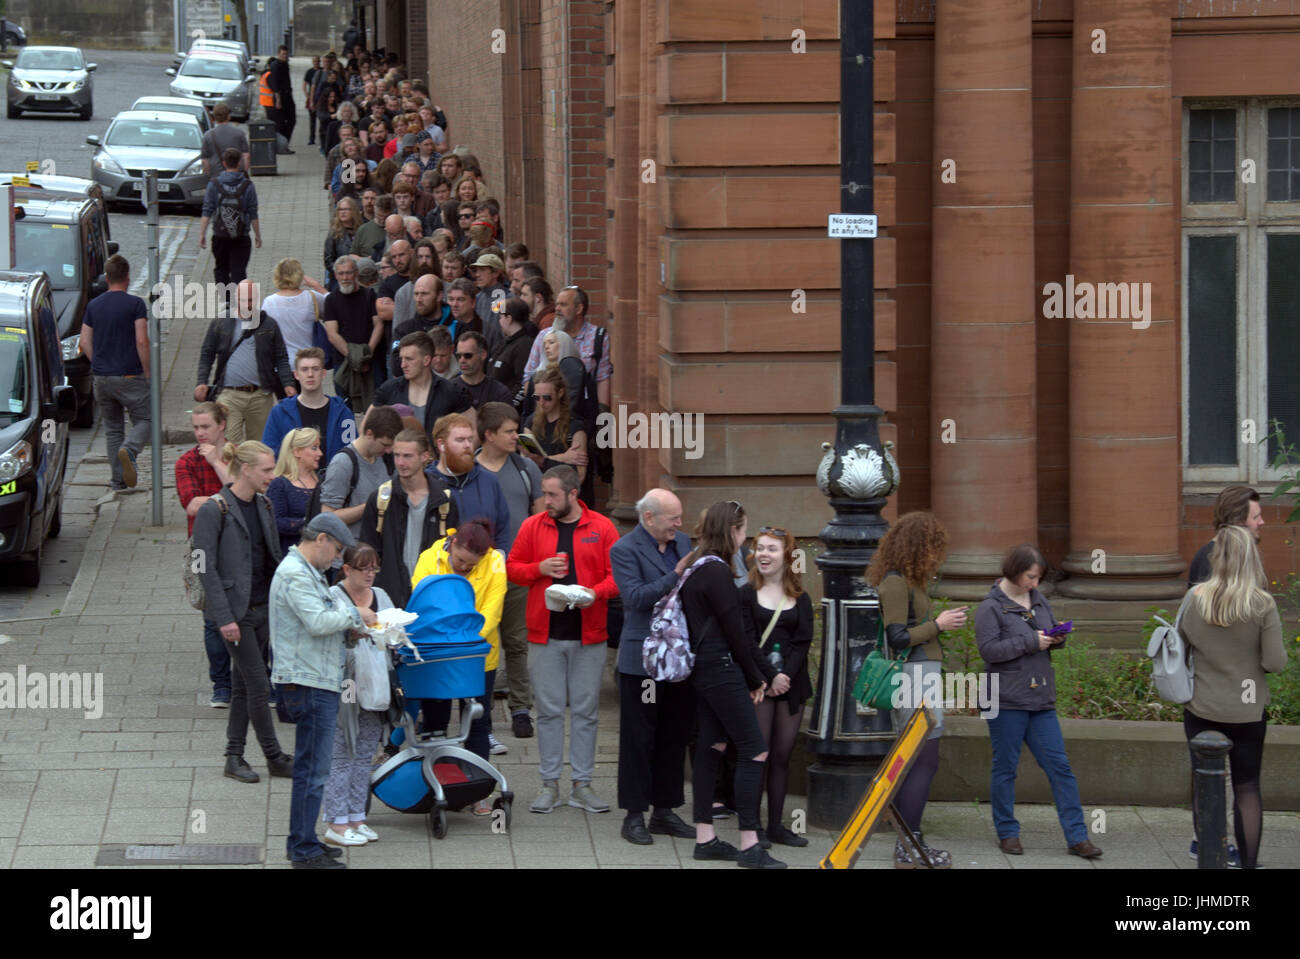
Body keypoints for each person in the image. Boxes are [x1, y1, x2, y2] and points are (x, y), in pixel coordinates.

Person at [974, 542, 1103, 862]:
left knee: (1060, 767)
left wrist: (1055, 638)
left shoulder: (1039, 600)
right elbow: (989, 651)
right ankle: (1007, 832)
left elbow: (1043, 635)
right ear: (1015, 571)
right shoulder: (990, 607)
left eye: (1038, 577)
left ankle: (1077, 837)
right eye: (1031, 577)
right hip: (1004, 698)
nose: (1035, 583)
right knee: (1005, 767)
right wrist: (1032, 641)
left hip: (1039, 696)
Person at [506, 465, 618, 815]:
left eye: (553, 494)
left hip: (590, 635)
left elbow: (618, 577)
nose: (546, 500)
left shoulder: (601, 527)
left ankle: (582, 784)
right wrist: (539, 569)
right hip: (544, 634)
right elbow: (512, 568)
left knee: (586, 712)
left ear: (573, 493)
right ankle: (549, 783)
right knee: (550, 712)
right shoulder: (533, 525)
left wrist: (593, 594)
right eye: (544, 493)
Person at [270, 513, 377, 869]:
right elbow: (317, 623)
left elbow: (317, 623)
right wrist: (356, 615)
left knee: (312, 769)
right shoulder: (295, 574)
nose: (336, 558)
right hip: (309, 682)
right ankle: (303, 851)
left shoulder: (307, 573)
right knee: (314, 771)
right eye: (335, 550)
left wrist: (350, 630)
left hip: (315, 678)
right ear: (320, 539)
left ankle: (304, 841)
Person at [680, 501, 784, 869]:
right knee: (754, 749)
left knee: (713, 747)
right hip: (722, 669)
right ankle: (749, 845)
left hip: (703, 670)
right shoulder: (719, 573)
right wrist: (757, 677)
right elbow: (736, 633)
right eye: (745, 531)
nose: (748, 540)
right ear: (733, 531)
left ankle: (705, 838)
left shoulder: (694, 566)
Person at [1179, 525, 1286, 870]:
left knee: (1204, 782)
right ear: (1251, 557)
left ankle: (1210, 856)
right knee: (1247, 788)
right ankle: (1249, 864)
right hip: (1247, 708)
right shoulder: (1262, 604)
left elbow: (1179, 651)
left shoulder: (1194, 599)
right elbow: (1275, 662)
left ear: (1216, 557)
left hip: (1203, 705)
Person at [866, 511, 967, 868]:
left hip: (922, 676)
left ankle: (911, 843)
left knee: (920, 761)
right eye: (933, 548)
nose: (937, 557)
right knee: (921, 761)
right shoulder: (896, 583)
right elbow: (897, 637)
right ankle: (909, 846)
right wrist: (938, 625)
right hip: (914, 678)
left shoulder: (909, 582)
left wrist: (938, 625)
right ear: (919, 547)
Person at [191, 441, 294, 785]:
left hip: (263, 607)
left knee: (241, 685)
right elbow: (205, 567)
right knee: (257, 683)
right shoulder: (215, 509)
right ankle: (274, 756)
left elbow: (271, 556)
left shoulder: (264, 504)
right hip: (235, 612)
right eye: (266, 470)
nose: (272, 475)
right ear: (246, 469)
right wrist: (223, 618)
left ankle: (233, 756)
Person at [609, 488, 697, 846]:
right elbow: (635, 598)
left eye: (679, 517)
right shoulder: (624, 549)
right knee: (638, 738)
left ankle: (665, 810)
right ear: (649, 518)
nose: (679, 523)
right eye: (672, 518)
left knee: (673, 735)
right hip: (641, 663)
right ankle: (633, 814)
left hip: (677, 659)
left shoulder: (683, 541)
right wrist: (676, 574)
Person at [411, 518, 507, 809]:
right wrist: (451, 641)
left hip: (477, 655)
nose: (464, 567)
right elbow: (423, 604)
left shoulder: (495, 564)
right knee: (436, 721)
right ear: (452, 544)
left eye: (471, 565)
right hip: (436, 653)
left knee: (477, 721)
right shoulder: (429, 558)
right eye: (461, 560)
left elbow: (492, 614)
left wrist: (461, 641)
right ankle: (439, 784)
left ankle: (479, 794)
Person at [737, 525, 813, 847]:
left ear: (787, 556)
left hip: (791, 686)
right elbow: (746, 641)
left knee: (782, 756)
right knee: (760, 754)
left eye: (772, 549)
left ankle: (776, 826)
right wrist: (769, 677)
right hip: (758, 683)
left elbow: (803, 641)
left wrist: (785, 679)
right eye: (761, 548)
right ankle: (751, 826)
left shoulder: (801, 597)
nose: (765, 555)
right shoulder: (745, 593)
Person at [475, 402, 544, 739]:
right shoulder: (468, 469)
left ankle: (520, 708)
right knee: (479, 641)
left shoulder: (526, 469)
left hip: (516, 569)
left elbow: (541, 517)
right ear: (489, 435)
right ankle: (478, 709)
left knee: (517, 641)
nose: (517, 436)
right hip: (477, 572)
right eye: (509, 431)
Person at [321, 543, 391, 847]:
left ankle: (356, 817)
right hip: (344, 684)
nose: (370, 574)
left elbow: (390, 632)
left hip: (375, 684)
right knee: (341, 752)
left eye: (374, 567)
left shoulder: (382, 596)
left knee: (364, 753)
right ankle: (335, 822)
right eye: (364, 568)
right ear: (347, 569)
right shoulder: (333, 597)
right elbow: (325, 634)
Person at [358, 427, 459, 609]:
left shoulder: (445, 501)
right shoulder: (381, 499)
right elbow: (369, 549)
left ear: (424, 457)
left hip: (432, 596)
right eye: (396, 456)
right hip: (389, 597)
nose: (400, 462)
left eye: (407, 456)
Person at [175, 401, 234, 707]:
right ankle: (221, 685)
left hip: (238, 544)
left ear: (221, 425)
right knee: (212, 617)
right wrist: (231, 497)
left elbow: (250, 490)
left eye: (206, 427)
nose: (199, 433)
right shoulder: (185, 462)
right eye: (196, 427)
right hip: (202, 546)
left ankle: (251, 679)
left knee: (247, 613)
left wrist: (217, 464)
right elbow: (191, 505)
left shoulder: (239, 455)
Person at [78, 254, 149, 490]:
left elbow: (85, 340)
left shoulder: (94, 306)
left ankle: (117, 481)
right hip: (129, 376)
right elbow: (141, 341)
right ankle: (130, 450)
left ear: (107, 278)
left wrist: (97, 361)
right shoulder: (136, 305)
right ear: (127, 278)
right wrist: (147, 373)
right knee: (146, 419)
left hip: (101, 377)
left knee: (113, 430)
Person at [195, 279, 296, 444]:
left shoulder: (268, 324)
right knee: (228, 446)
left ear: (256, 300)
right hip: (229, 394)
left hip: (260, 396)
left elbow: (281, 358)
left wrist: (288, 384)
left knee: (259, 447)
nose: (247, 304)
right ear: (236, 299)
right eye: (243, 300)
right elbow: (207, 353)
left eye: (250, 300)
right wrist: (202, 381)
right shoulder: (222, 322)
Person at [427, 413, 511, 550]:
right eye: (460, 440)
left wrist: (501, 559)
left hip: (484, 567)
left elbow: (503, 530)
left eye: (470, 440)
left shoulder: (489, 481)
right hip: (439, 567)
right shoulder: (427, 483)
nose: (467, 445)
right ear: (441, 444)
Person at [261, 348, 355, 467]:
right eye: (304, 369)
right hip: (292, 482)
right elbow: (269, 452)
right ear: (296, 374)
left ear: (323, 373)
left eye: (315, 369)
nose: (310, 374)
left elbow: (352, 452)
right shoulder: (279, 413)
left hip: (333, 480)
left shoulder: (342, 412)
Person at [368, 330, 471, 437]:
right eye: (401, 359)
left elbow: (473, 430)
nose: (403, 365)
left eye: (409, 359)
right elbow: (367, 428)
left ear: (426, 360)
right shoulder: (389, 389)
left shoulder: (451, 391)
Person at [320, 404, 401, 538]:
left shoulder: (386, 460)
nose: (388, 451)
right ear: (369, 434)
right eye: (384, 444)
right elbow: (327, 517)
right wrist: (371, 505)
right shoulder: (343, 462)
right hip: (352, 550)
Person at [200, 148, 261, 309]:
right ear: (239, 163)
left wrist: (202, 234)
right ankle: (239, 302)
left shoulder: (214, 184)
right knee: (239, 270)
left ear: (224, 163)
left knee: (221, 268)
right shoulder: (248, 185)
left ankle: (226, 301)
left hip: (220, 235)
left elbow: (207, 210)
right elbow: (253, 212)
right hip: (242, 236)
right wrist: (258, 235)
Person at [323, 255, 383, 412]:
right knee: (344, 409)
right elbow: (332, 334)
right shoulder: (331, 300)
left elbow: (378, 326)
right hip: (343, 364)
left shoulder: (369, 295)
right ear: (335, 276)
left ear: (356, 273)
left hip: (371, 361)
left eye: (349, 273)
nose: (345, 277)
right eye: (341, 274)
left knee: (376, 407)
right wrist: (355, 358)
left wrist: (367, 354)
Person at [1189, 486, 1265, 587]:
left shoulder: (1244, 553)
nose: (1262, 522)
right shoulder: (1211, 558)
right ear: (1237, 521)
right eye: (1255, 517)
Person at [261, 259, 330, 371]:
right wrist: (319, 287)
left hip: (281, 366)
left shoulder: (268, 302)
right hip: (308, 365)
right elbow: (335, 309)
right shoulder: (312, 298)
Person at [523, 368, 588, 484]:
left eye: (547, 397)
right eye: (537, 398)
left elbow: (580, 476)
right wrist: (563, 458)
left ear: (560, 393)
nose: (541, 402)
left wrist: (542, 460)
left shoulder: (575, 426)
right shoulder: (530, 422)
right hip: (538, 491)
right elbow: (526, 463)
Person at [266, 427, 323, 557]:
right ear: (297, 451)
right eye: (314, 448)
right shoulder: (280, 485)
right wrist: (309, 523)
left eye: (319, 448)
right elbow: (275, 523)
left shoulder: (323, 482)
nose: (320, 453)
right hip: (292, 557)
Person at [487, 296, 538, 398]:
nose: (499, 322)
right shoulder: (507, 342)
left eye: (501, 317)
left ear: (508, 319)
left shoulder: (524, 346)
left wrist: (510, 405)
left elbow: (523, 383)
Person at [454, 330, 513, 409]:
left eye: (467, 355)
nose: (462, 360)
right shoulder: (448, 390)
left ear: (483, 355)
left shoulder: (500, 393)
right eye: (458, 356)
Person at [200, 102, 251, 176]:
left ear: (214, 117)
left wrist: (209, 176)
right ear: (228, 116)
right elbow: (246, 156)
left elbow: (205, 161)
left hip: (217, 176)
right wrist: (244, 173)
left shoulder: (208, 135)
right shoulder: (239, 133)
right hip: (237, 174)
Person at [324, 196, 361, 291]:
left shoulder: (361, 230)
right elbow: (328, 259)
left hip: (360, 276)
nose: (342, 212)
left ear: (353, 211)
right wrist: (341, 271)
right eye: (340, 209)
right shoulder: (334, 233)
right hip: (340, 278)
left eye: (346, 209)